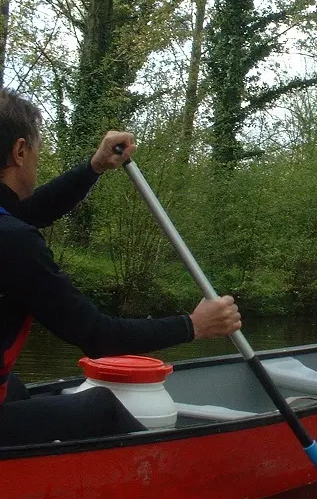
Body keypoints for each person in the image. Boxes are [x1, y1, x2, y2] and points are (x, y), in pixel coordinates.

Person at [0, 88, 242, 446]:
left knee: (15, 389)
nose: (38, 158)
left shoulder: (10, 231)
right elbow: (98, 337)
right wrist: (193, 326)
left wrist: (93, 167)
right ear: (20, 151)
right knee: (100, 408)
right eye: (37, 149)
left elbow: (25, 215)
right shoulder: (14, 242)